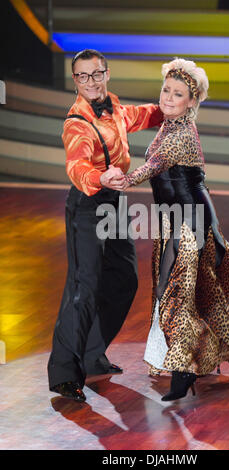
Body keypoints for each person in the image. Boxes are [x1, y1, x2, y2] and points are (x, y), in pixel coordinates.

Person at [115, 57, 229, 401]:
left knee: (174, 295)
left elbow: (151, 167)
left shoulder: (180, 133)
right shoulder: (169, 125)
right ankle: (191, 359)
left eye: (178, 94)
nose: (168, 98)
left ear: (192, 101)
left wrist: (120, 180)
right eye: (166, 90)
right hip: (173, 220)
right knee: (178, 294)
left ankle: (184, 370)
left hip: (189, 223)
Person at [47, 49, 163, 401]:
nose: (90, 83)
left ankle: (92, 354)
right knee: (84, 288)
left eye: (96, 75)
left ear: (107, 74)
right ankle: (65, 373)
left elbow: (141, 115)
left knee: (124, 279)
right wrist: (101, 177)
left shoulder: (114, 108)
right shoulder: (76, 122)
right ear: (75, 81)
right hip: (87, 202)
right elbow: (76, 166)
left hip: (114, 202)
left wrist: (174, 106)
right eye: (82, 77)